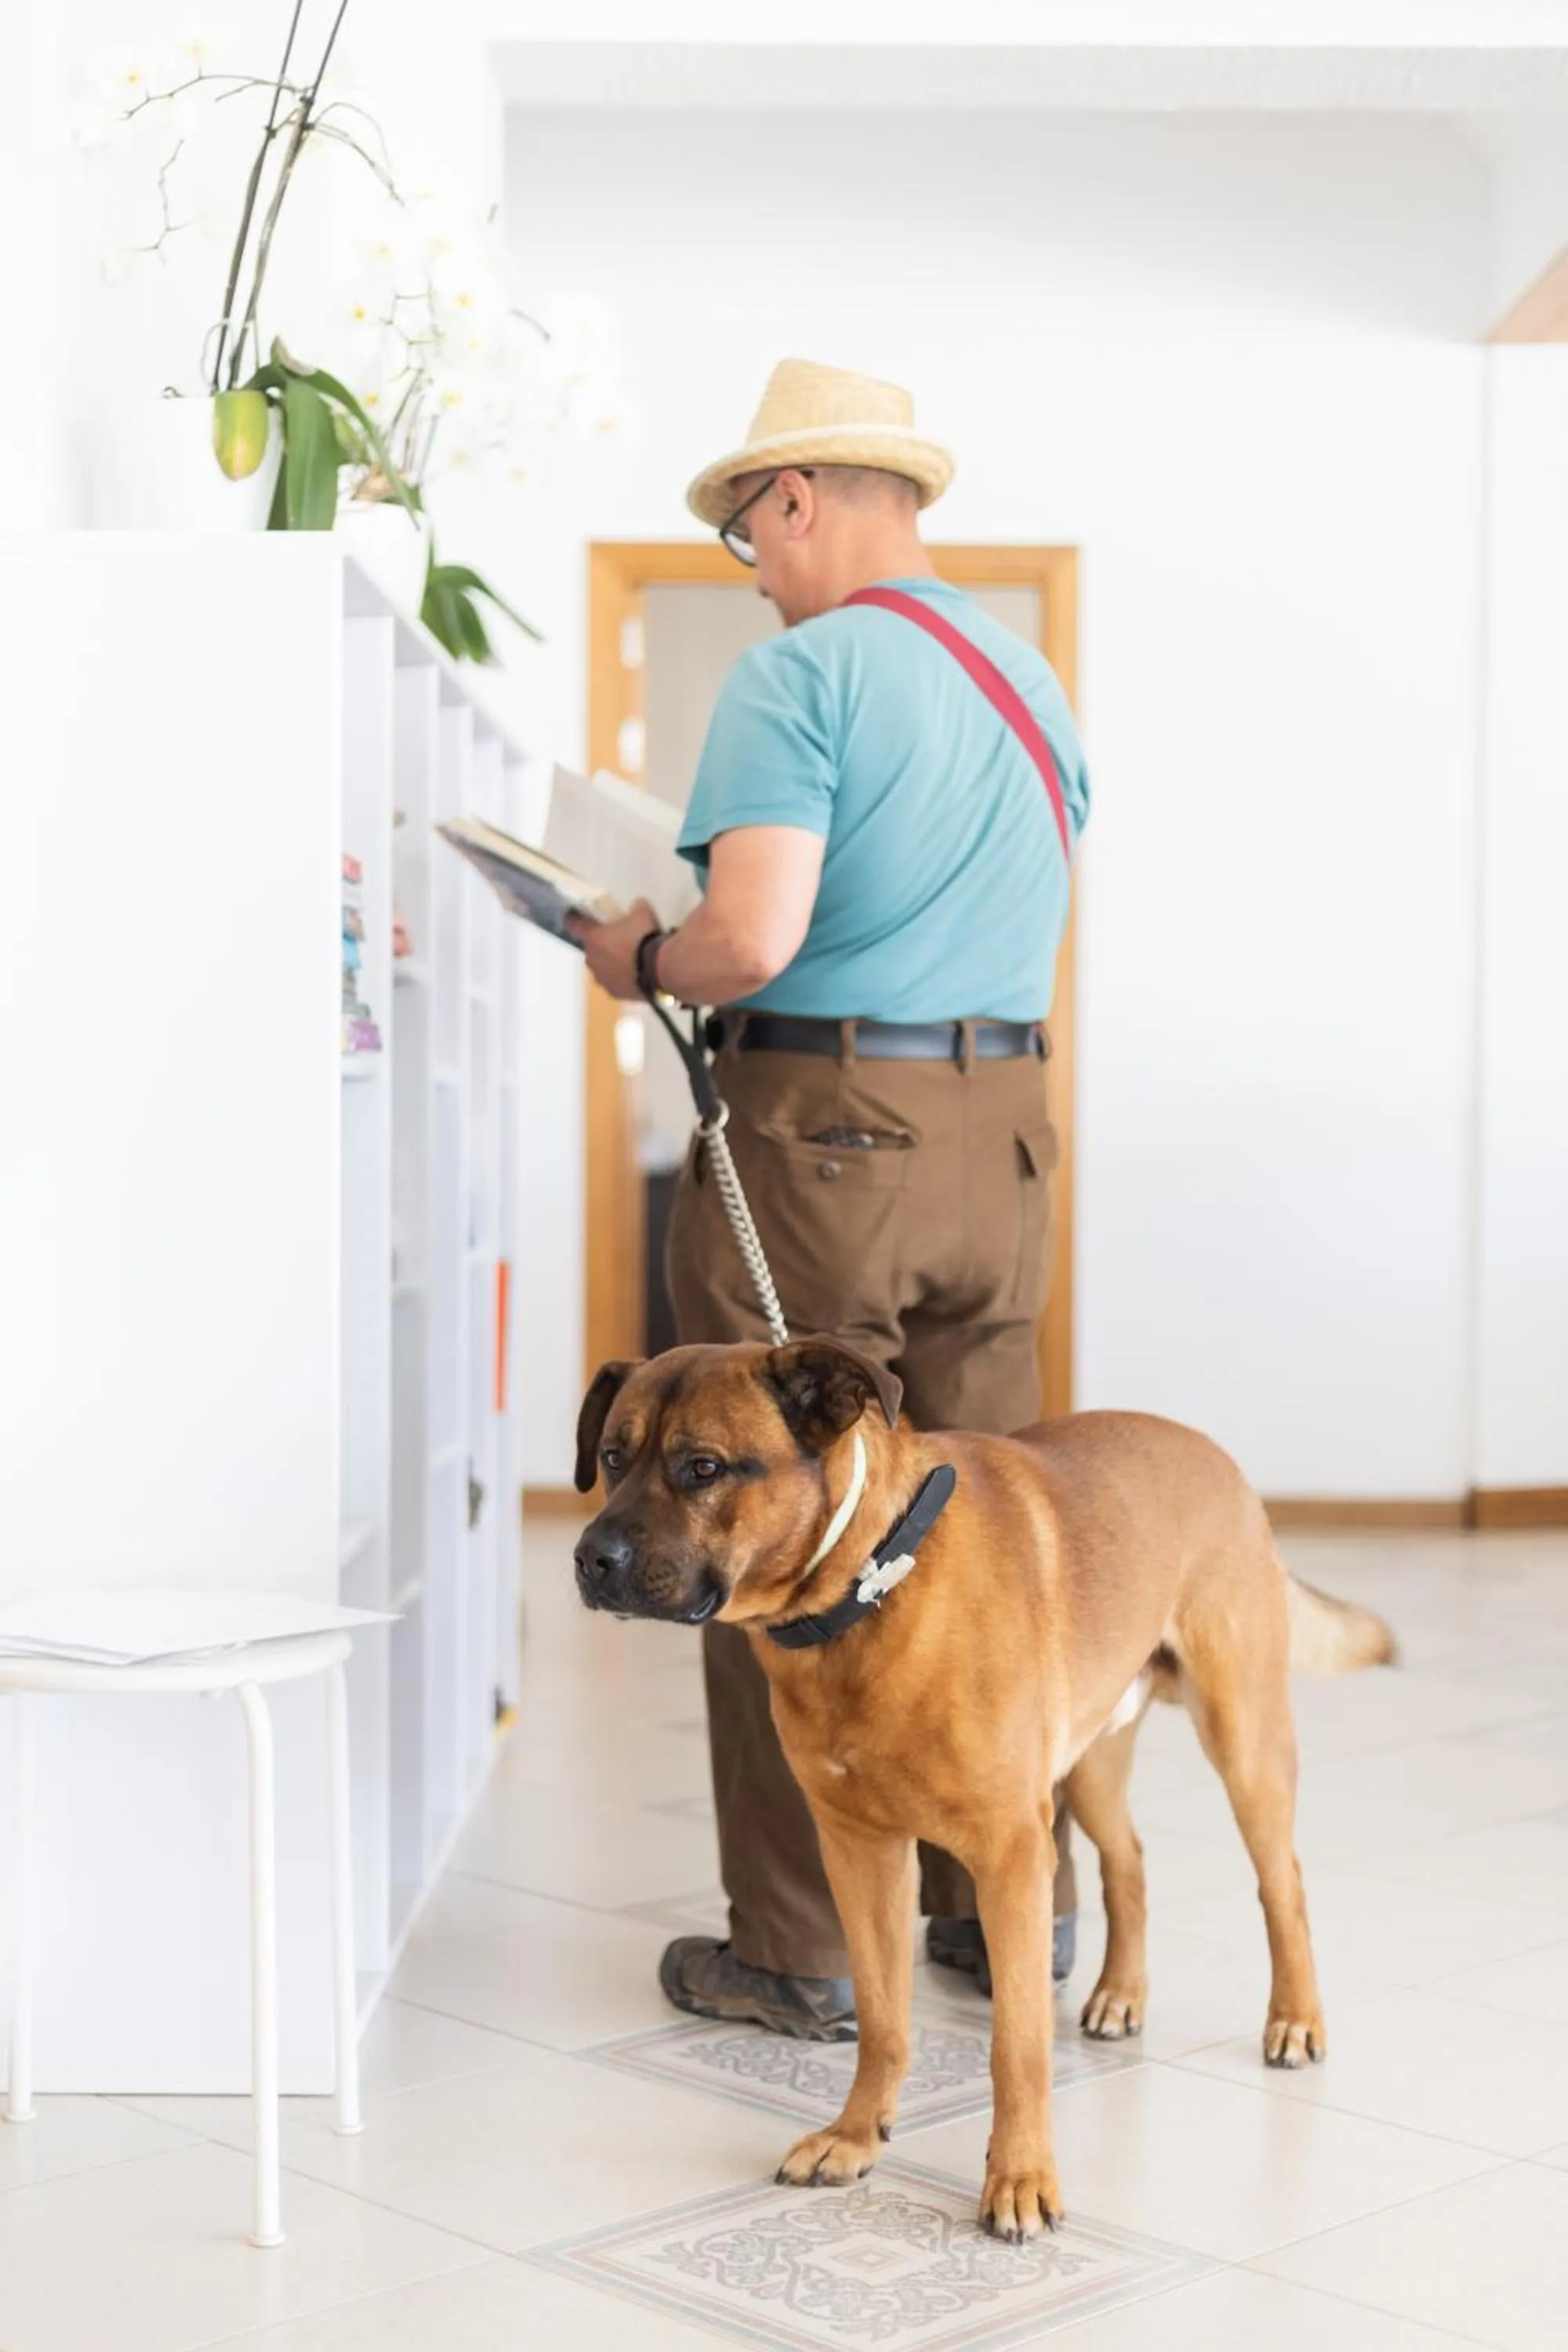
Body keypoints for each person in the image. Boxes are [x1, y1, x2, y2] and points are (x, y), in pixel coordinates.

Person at [573, 357, 1091, 2040]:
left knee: (757, 1514)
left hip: (821, 1130)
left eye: (748, 536)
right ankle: (998, 1907)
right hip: (1004, 1126)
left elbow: (751, 941)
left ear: (795, 496)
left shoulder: (803, 677)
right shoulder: (1033, 682)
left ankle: (792, 1947)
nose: (758, 566)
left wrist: (632, 953)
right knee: (993, 1519)